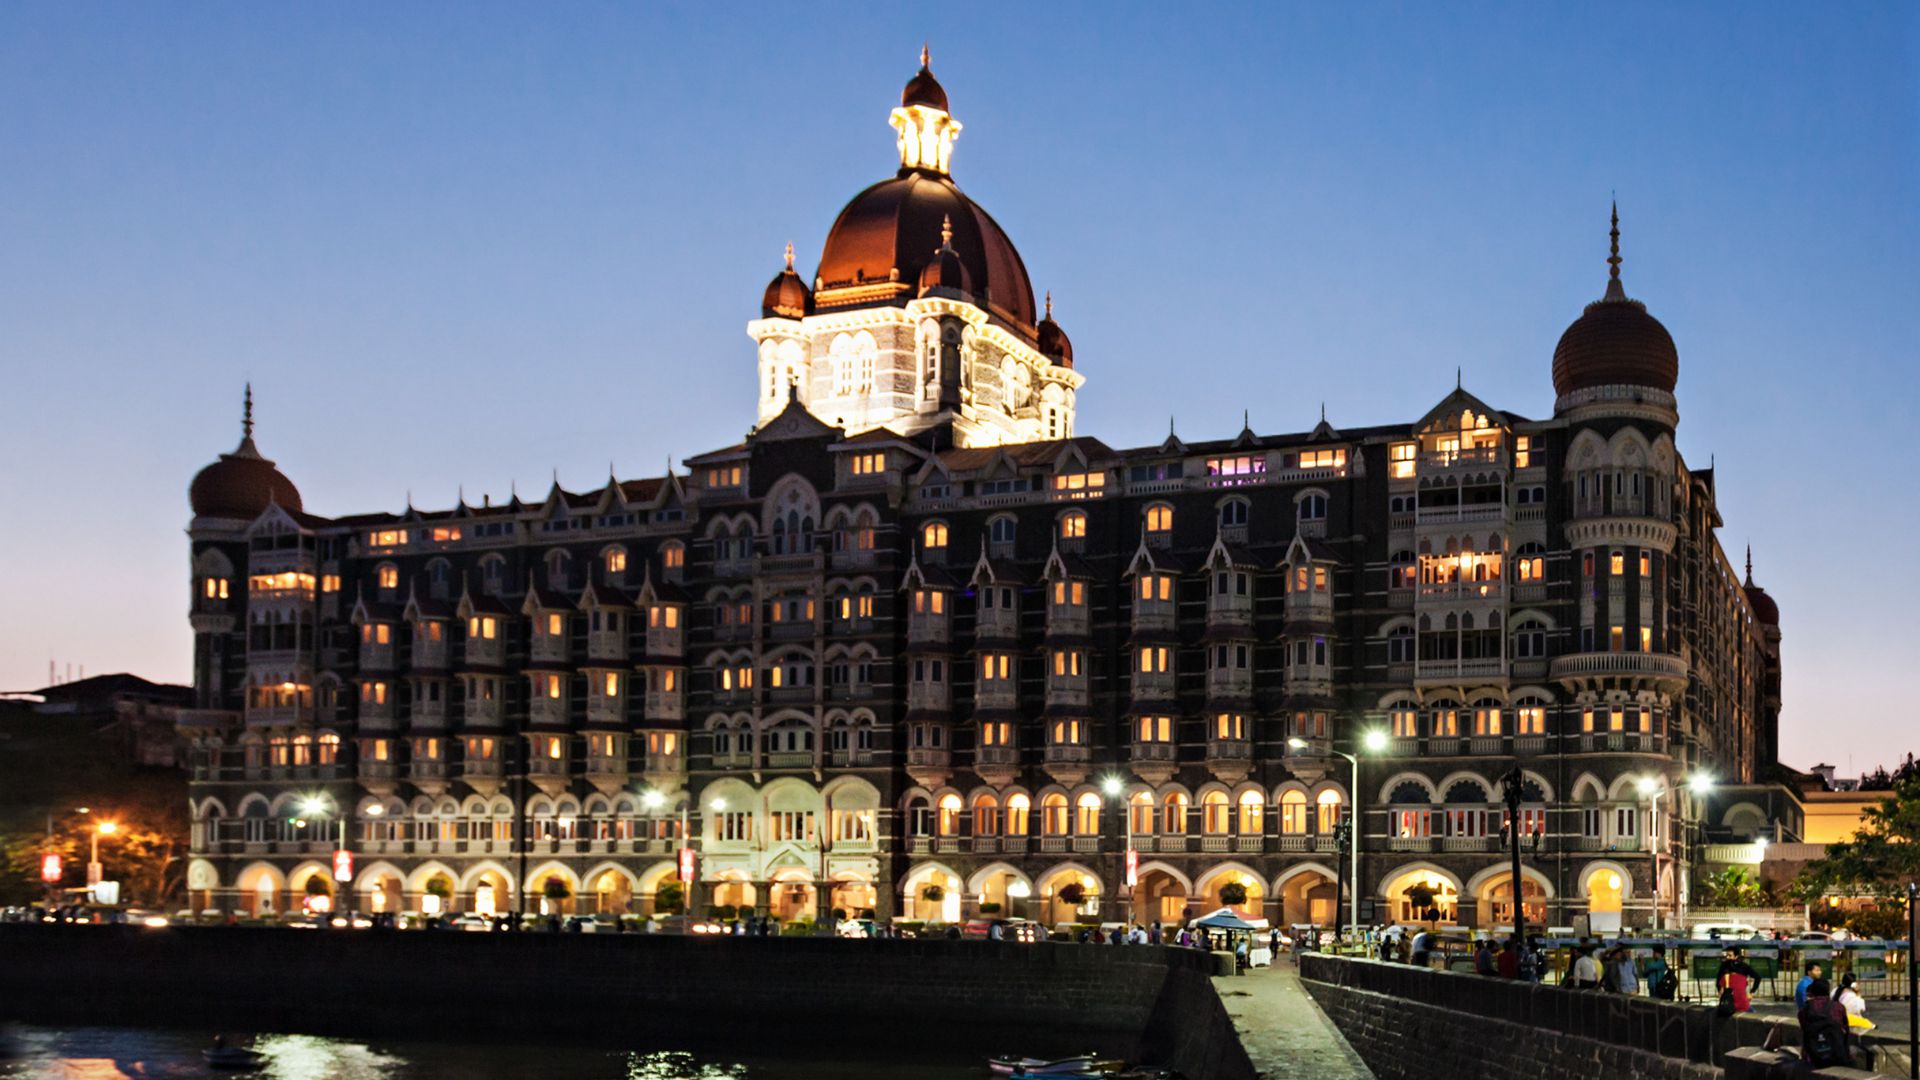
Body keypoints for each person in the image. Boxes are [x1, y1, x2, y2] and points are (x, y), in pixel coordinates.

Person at [1797, 978, 1855, 1068]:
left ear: (1813, 992)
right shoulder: (1838, 1007)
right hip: (1837, 1054)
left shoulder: (1804, 1010)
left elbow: (1804, 1030)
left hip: (1814, 1058)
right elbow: (1846, 1030)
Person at [1715, 947, 1757, 1014]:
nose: (1727, 957)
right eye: (1726, 955)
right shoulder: (1743, 966)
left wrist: (1751, 992)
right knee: (1753, 1013)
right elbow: (1757, 977)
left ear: (1736, 956)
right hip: (1739, 1002)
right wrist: (1751, 993)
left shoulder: (1725, 966)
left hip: (1728, 1001)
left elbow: (1718, 982)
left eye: (1730, 955)